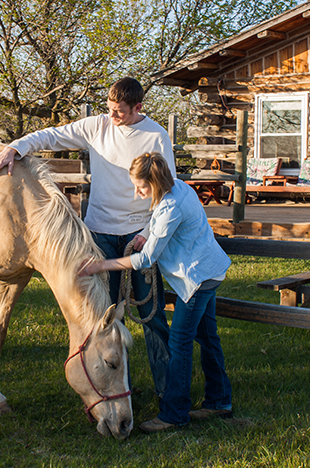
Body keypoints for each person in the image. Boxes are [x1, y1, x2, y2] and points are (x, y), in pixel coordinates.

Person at [0, 77, 173, 397]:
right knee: (107, 319)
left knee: (151, 316)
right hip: (99, 234)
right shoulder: (97, 126)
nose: (113, 116)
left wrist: (147, 233)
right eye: (110, 109)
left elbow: (166, 189)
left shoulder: (156, 135)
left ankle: (168, 392)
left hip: (138, 236)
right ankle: (118, 387)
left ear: (138, 108)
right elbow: (52, 136)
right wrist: (14, 148)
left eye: (120, 112)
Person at [79, 152, 233, 433]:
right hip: (211, 270)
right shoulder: (180, 188)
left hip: (196, 279)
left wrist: (101, 265)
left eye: (142, 187)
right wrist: (147, 231)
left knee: (179, 345)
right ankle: (219, 401)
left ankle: (174, 413)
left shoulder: (170, 207)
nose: (138, 193)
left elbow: (145, 260)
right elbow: (158, 221)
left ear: (156, 182)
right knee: (208, 337)